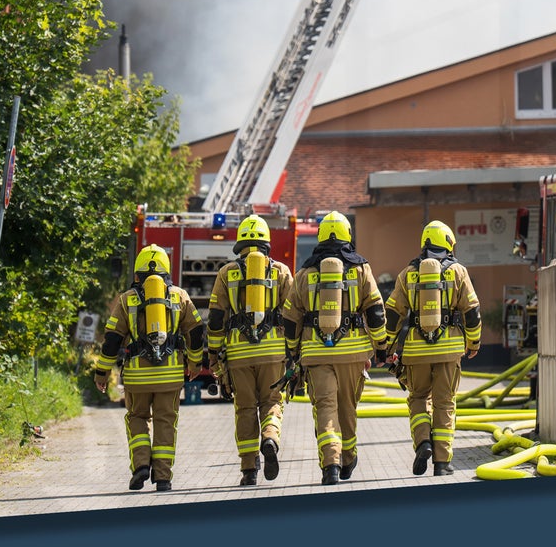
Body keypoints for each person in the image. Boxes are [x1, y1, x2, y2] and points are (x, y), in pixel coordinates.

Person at [282, 211, 389, 485]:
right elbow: (376, 311)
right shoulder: (361, 269)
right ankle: (349, 457)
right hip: (353, 354)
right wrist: (380, 346)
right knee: (347, 408)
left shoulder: (304, 272)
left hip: (316, 354)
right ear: (347, 235)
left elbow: (291, 319)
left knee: (325, 408)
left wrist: (293, 352)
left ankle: (330, 463)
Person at [92, 244, 204, 492]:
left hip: (137, 377)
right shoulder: (179, 296)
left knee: (137, 418)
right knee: (166, 422)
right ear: (167, 270)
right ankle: (163, 478)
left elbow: (111, 341)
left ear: (136, 274)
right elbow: (196, 331)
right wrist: (195, 362)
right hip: (170, 375)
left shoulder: (126, 300)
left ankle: (141, 464)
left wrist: (102, 372)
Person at [384, 220, 480, 476]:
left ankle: (423, 441)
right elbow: (472, 311)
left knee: (418, 398)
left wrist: (385, 345)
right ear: (449, 243)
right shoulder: (458, 272)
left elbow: (393, 313)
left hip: (416, 351)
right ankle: (442, 463)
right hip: (449, 349)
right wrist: (474, 342)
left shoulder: (408, 274)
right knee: (444, 403)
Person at [205, 215, 293, 487]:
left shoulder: (226, 273)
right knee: (272, 402)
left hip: (239, 353)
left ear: (240, 243)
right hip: (273, 352)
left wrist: (214, 354)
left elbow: (216, 318)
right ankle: (270, 437)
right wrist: (294, 351)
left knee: (244, 408)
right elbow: (292, 314)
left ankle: (248, 470)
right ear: (266, 242)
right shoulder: (280, 271)